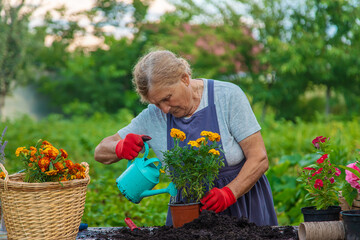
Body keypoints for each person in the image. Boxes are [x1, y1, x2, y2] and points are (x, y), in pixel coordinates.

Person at [94, 50, 278, 226]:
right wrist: (119, 148)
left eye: (167, 98)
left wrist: (230, 192)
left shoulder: (227, 96)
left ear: (185, 78)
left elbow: (259, 158)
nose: (164, 109)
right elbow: (100, 151)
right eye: (156, 103)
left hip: (243, 205)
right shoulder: (152, 117)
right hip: (187, 213)